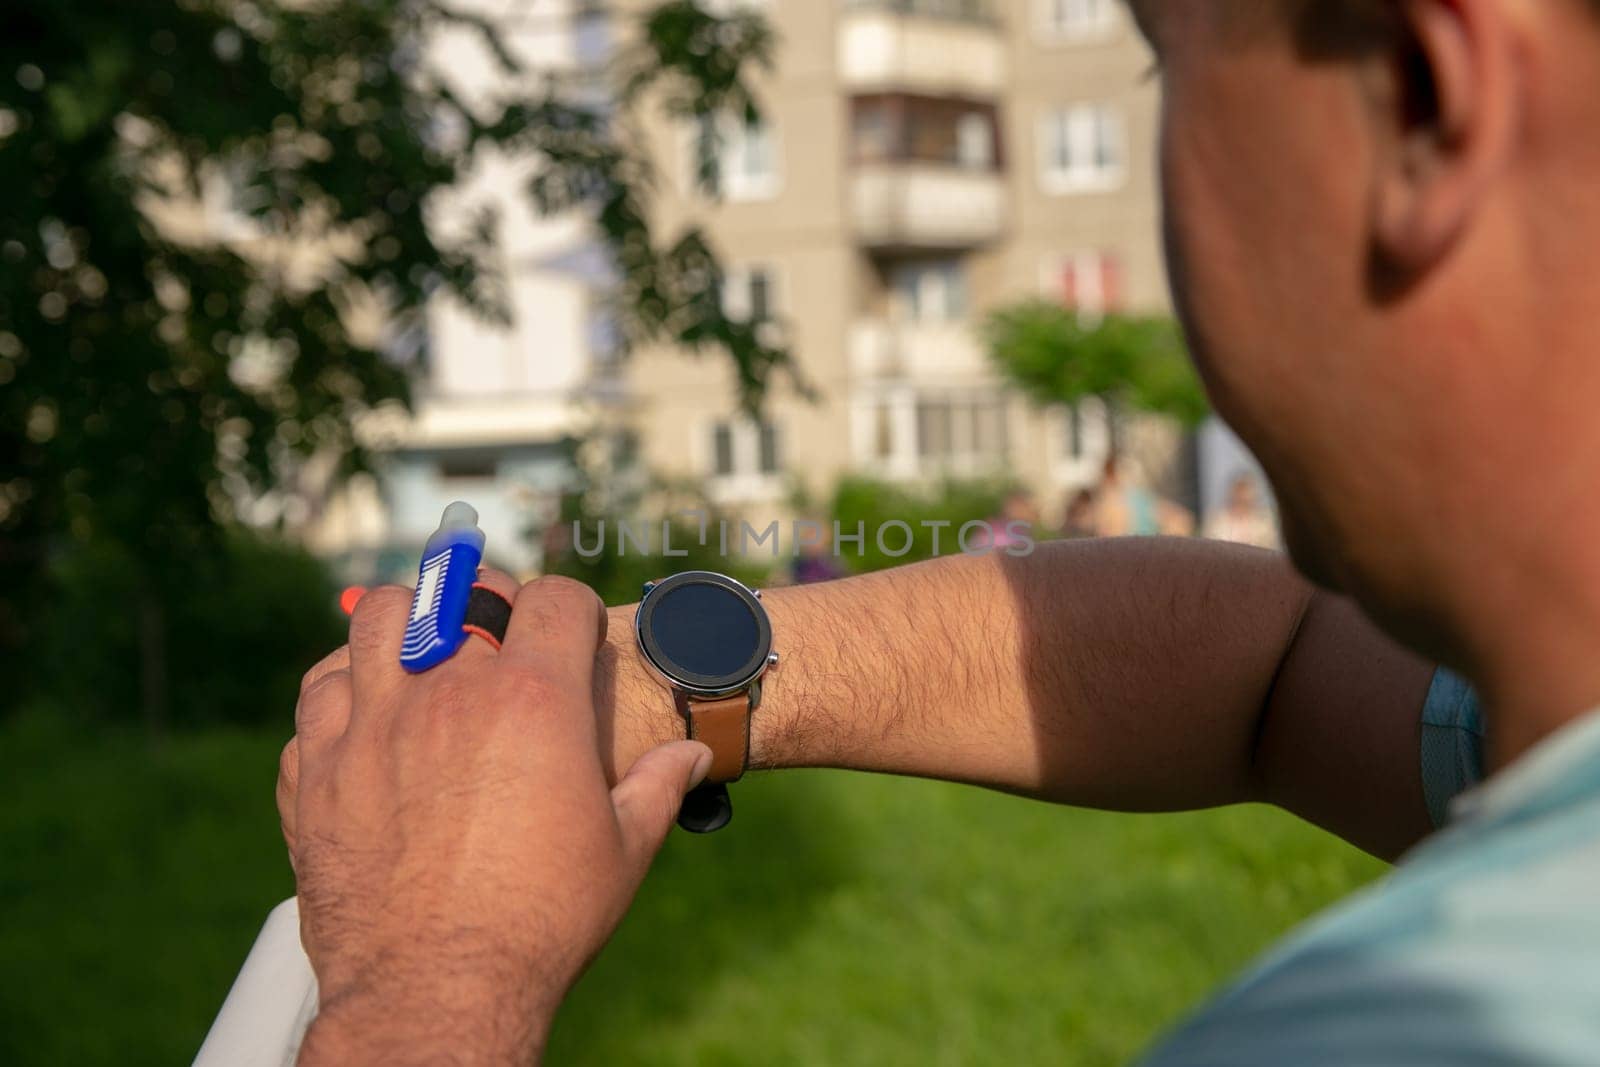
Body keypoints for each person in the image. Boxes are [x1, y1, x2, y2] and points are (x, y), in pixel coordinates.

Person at [274, 2, 1600, 1062]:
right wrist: (622, 686)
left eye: (1163, 67)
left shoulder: (1401, 1026)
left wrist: (426, 990)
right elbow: (1269, 663)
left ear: (1425, 100)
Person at [1202, 472, 1280, 551]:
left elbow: (1268, 548)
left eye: (1245, 502)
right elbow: (1211, 547)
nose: (1241, 503)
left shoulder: (1263, 524)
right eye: (1239, 500)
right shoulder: (1218, 522)